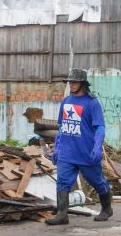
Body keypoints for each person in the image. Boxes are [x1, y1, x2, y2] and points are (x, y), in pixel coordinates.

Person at [46, 68, 113, 225]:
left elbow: (100, 127)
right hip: (67, 152)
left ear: (82, 83)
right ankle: (62, 214)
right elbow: (62, 126)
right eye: (70, 82)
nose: (71, 84)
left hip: (86, 152)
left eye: (74, 82)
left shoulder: (92, 103)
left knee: (97, 182)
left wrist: (97, 147)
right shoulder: (66, 102)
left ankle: (106, 208)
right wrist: (57, 147)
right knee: (62, 181)